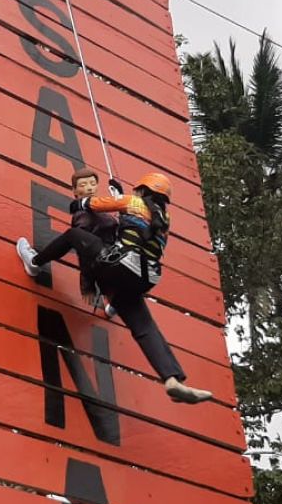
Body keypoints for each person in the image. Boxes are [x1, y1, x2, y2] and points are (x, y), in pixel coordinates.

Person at [16, 172, 213, 405]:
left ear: (141, 191)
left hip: (119, 265)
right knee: (144, 327)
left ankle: (35, 262)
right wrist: (119, 194)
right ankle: (172, 379)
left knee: (73, 235)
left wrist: (80, 203)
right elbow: (134, 224)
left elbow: (97, 204)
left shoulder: (132, 201)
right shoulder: (164, 220)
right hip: (143, 277)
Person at [67, 167, 118, 311]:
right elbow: (83, 250)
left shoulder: (102, 210)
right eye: (83, 185)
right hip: (101, 257)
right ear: (75, 191)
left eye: (92, 184)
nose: (89, 188)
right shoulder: (83, 215)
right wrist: (87, 284)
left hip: (112, 254)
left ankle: (115, 301)